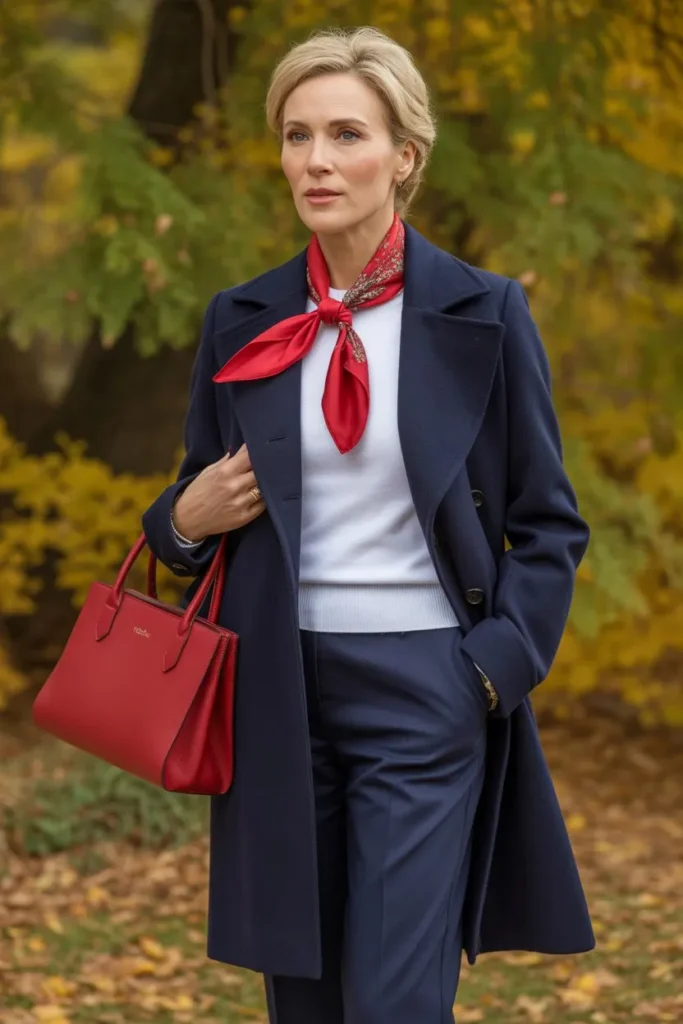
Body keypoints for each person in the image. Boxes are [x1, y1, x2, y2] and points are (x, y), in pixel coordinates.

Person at [142, 25, 594, 1024]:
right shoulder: (238, 318)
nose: (315, 160)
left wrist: (487, 668)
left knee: (392, 1000)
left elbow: (547, 524)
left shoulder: (485, 311)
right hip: (272, 691)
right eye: (295, 135)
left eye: (345, 134)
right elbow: (186, 528)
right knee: (301, 999)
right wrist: (183, 515)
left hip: (426, 690)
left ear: (404, 156)